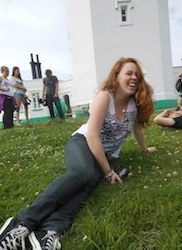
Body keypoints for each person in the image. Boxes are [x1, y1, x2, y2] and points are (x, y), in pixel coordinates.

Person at [0, 57, 156, 250]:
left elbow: (138, 129)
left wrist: (144, 149)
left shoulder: (135, 103)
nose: (134, 78)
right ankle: (20, 225)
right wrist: (107, 172)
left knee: (88, 184)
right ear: (116, 77)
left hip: (102, 154)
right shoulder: (105, 97)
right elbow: (92, 136)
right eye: (129, 73)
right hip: (83, 143)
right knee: (82, 174)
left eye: (137, 75)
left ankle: (49, 231)